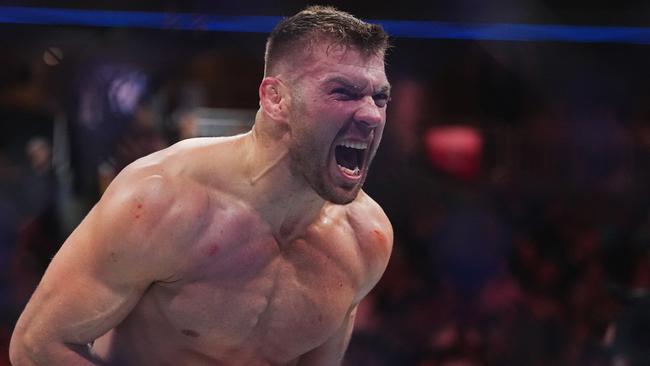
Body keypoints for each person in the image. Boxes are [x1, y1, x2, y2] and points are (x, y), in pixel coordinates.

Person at [10, 6, 393, 365]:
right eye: (342, 92)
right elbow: (37, 346)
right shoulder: (162, 199)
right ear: (275, 99)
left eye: (380, 97)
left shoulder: (365, 238)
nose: (372, 114)